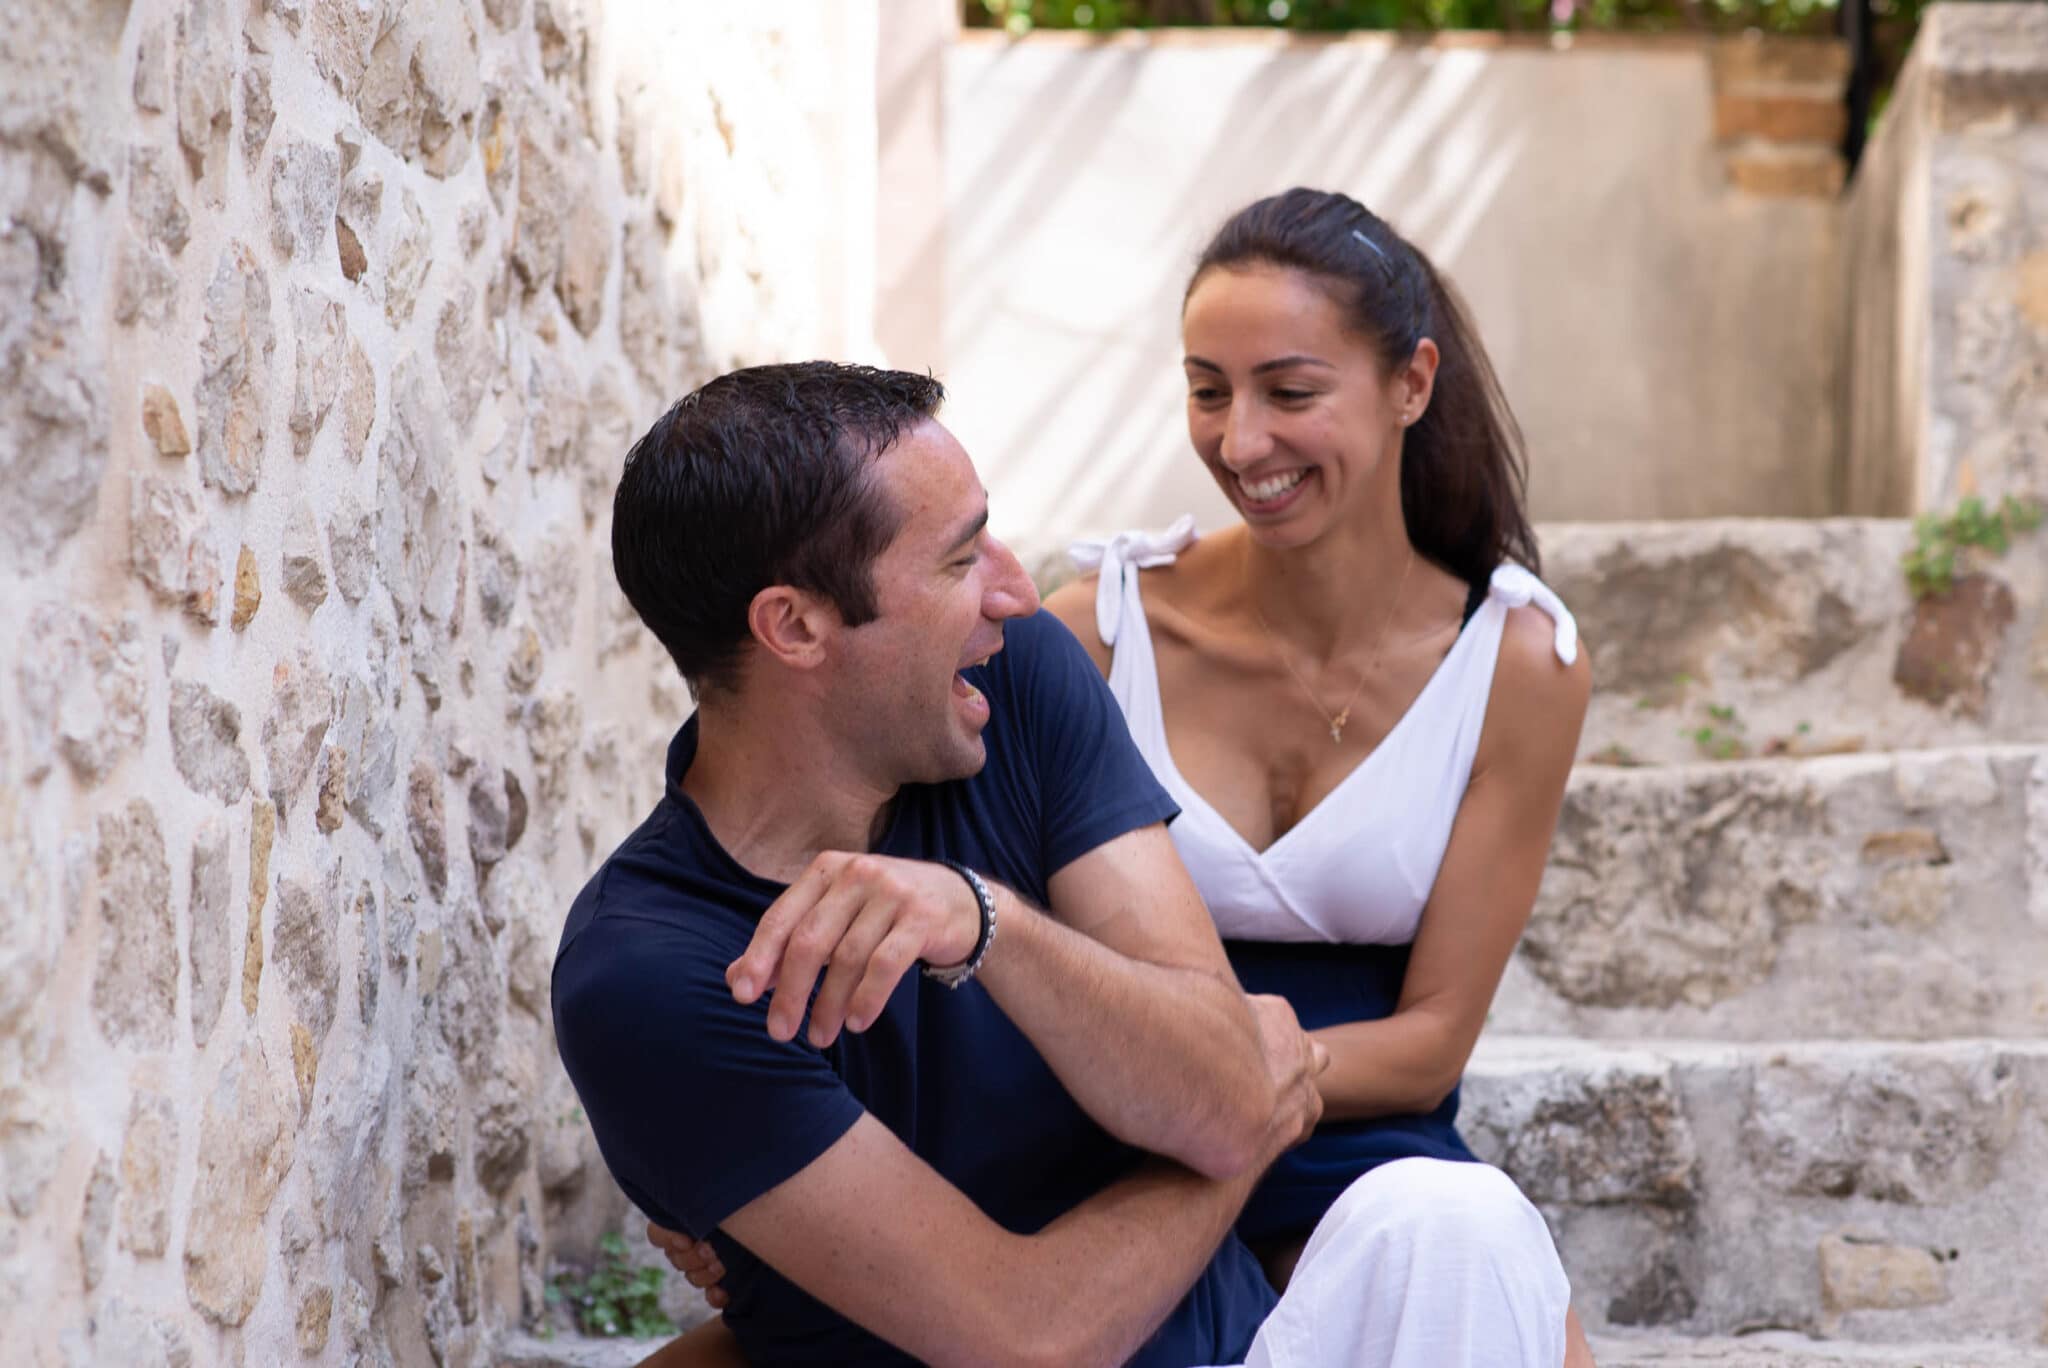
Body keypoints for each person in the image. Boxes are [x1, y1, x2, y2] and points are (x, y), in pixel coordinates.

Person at [556, 360, 1573, 1368]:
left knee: (1455, 1219)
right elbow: (1031, 1339)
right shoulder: (652, 974)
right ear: (794, 626)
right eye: (959, 563)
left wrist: (982, 924)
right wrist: (1248, 1122)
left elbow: (1218, 1088)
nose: (1013, 591)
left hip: (1245, 1351)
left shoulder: (1012, 689)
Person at [1047, 188, 1597, 1350]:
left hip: (1363, 1160)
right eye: (1207, 391)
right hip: (1107, 1158)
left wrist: (1223, 1069)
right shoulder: (1095, 635)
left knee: (1461, 1232)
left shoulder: (1514, 663)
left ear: (1410, 383)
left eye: (1288, 392)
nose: (1239, 443)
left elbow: (1434, 1035)